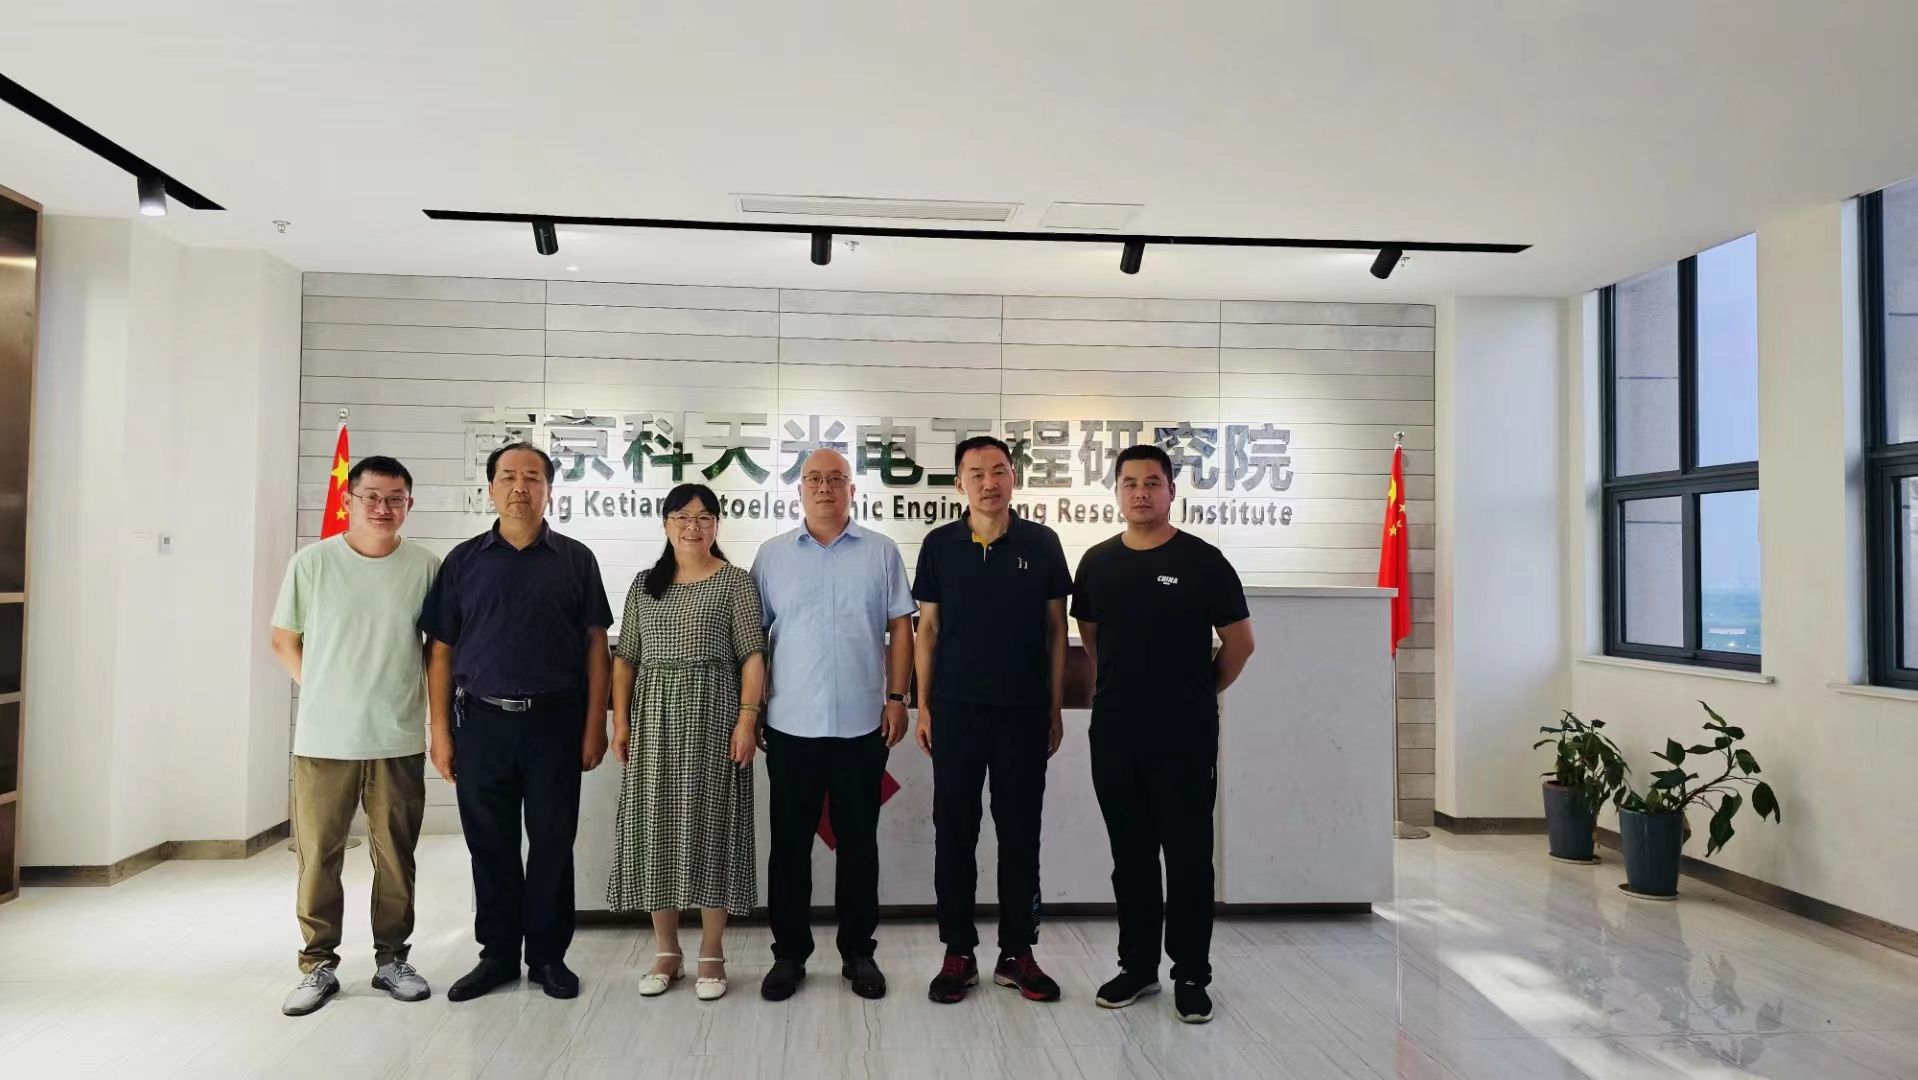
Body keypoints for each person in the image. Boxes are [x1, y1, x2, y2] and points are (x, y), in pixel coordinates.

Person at [1070, 442, 1255, 1025]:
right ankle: (1138, 967)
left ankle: (1192, 974)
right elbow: (1093, 638)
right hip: (1115, 732)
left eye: (1152, 482)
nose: (1141, 493)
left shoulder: (1204, 561)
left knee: (1189, 856)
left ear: (1171, 491)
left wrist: (1199, 692)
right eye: (1130, 483)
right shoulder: (1097, 563)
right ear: (1117, 493)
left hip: (1184, 735)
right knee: (1130, 856)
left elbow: (1241, 642)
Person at [421, 443, 614, 1002]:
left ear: (549, 489)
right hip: (481, 724)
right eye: (508, 477)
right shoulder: (463, 561)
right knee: (490, 844)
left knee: (553, 842)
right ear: (490, 488)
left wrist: (594, 725)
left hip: (555, 722)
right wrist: (440, 731)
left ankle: (549, 957)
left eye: (532, 477)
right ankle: (499, 955)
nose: (519, 487)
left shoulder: (575, 559)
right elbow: (440, 652)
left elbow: (596, 646)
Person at [270, 455, 441, 1016]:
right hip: (325, 741)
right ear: (349, 501)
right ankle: (317, 965)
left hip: (397, 736)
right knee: (319, 856)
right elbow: (284, 640)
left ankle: (392, 960)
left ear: (409, 505)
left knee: (397, 858)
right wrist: (324, 687)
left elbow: (437, 650)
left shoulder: (426, 567)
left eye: (395, 498)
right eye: (371, 496)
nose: (383, 507)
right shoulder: (312, 562)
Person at [749, 446, 915, 1002]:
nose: (825, 487)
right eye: (814, 479)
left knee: (859, 846)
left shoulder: (881, 551)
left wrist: (898, 698)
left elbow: (901, 626)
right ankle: (789, 954)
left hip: (862, 725)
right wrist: (756, 708)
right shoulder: (772, 556)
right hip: (790, 725)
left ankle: (858, 952)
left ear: (852, 489)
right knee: (789, 847)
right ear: (799, 489)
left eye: (836, 479)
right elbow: (756, 640)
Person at [912, 436, 1071, 1004]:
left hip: (1023, 712)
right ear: (959, 483)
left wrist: (1054, 706)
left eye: (999, 471)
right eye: (976, 473)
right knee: (954, 833)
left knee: (1020, 833)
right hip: (955, 711)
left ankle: (1017, 952)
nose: (988, 482)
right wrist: (924, 705)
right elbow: (927, 630)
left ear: (1013, 478)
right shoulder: (939, 545)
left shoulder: (1042, 543)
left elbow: (1057, 632)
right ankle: (958, 952)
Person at [608, 482, 767, 1003]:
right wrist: (622, 723)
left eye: (703, 517)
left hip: (715, 717)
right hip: (654, 722)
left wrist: (747, 720)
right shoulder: (644, 585)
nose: (692, 526)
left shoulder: (735, 582)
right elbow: (626, 659)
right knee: (656, 828)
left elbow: (752, 656)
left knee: (712, 829)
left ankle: (712, 952)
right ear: (665, 524)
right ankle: (667, 951)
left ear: (717, 525)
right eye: (681, 516)